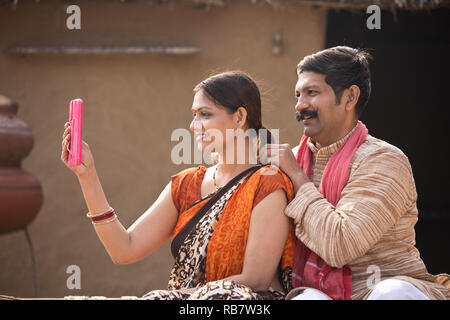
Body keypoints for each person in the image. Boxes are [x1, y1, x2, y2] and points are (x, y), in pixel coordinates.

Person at [61, 71, 296, 300]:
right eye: (194, 114)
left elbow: (256, 281)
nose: (194, 125)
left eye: (205, 114)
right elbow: (125, 249)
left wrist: (167, 298)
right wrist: (87, 174)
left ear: (239, 117)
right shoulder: (187, 184)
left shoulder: (267, 185)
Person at [263, 46, 450, 300]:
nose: (300, 105)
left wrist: (298, 178)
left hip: (384, 288)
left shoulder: (384, 161)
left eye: (312, 93)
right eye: (298, 95)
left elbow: (342, 245)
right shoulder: (292, 160)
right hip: (315, 292)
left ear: (350, 98)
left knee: (390, 293)